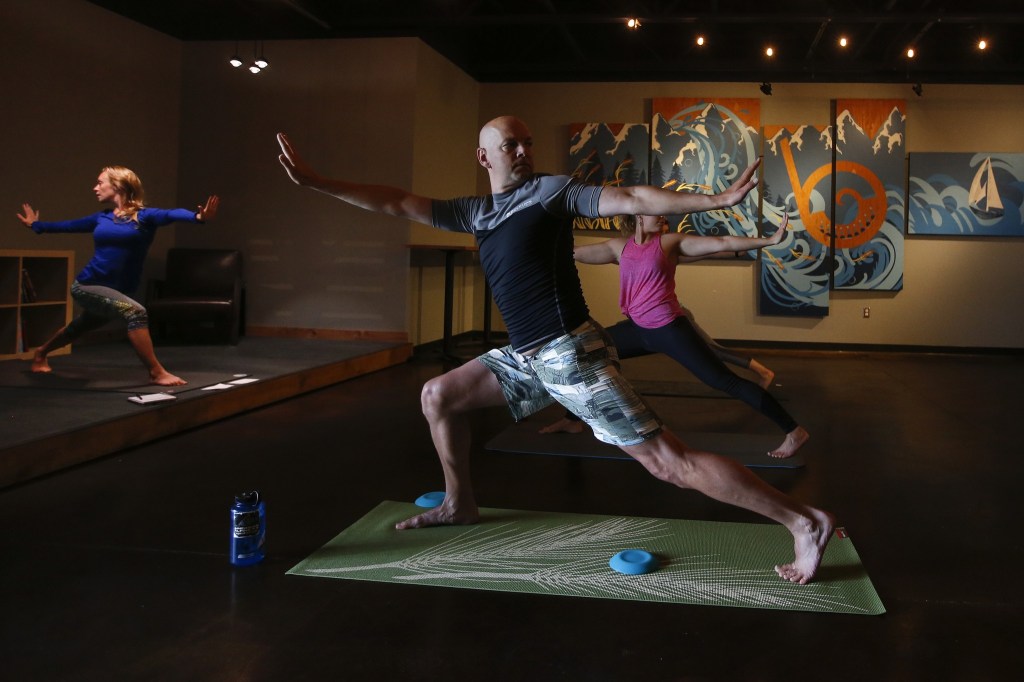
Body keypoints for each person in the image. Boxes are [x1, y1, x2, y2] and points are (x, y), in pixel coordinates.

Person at [276, 116, 833, 584]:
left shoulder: (551, 192)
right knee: (437, 394)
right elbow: (397, 202)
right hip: (526, 357)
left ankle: (801, 521)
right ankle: (459, 502)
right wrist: (318, 182)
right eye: (509, 145)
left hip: (571, 354)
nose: (522, 151)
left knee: (669, 463)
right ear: (483, 155)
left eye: (526, 143)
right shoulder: (473, 212)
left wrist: (715, 198)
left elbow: (633, 196)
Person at [539, 213, 809, 459]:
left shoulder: (668, 243)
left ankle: (794, 430)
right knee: (585, 357)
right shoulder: (619, 247)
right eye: (657, 211)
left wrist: (770, 239)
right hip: (636, 330)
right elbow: (572, 253)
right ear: (639, 216)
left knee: (725, 381)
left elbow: (721, 241)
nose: (664, 215)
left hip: (669, 330)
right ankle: (573, 419)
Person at [17, 166, 220, 386]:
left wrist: (198, 216)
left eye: (100, 182)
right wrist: (35, 225)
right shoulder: (101, 218)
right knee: (136, 312)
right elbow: (68, 226)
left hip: (119, 290)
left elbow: (171, 214)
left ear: (118, 185)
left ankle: (41, 353)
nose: (95, 188)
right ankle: (157, 372)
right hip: (87, 285)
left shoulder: (145, 216)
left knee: (79, 327)